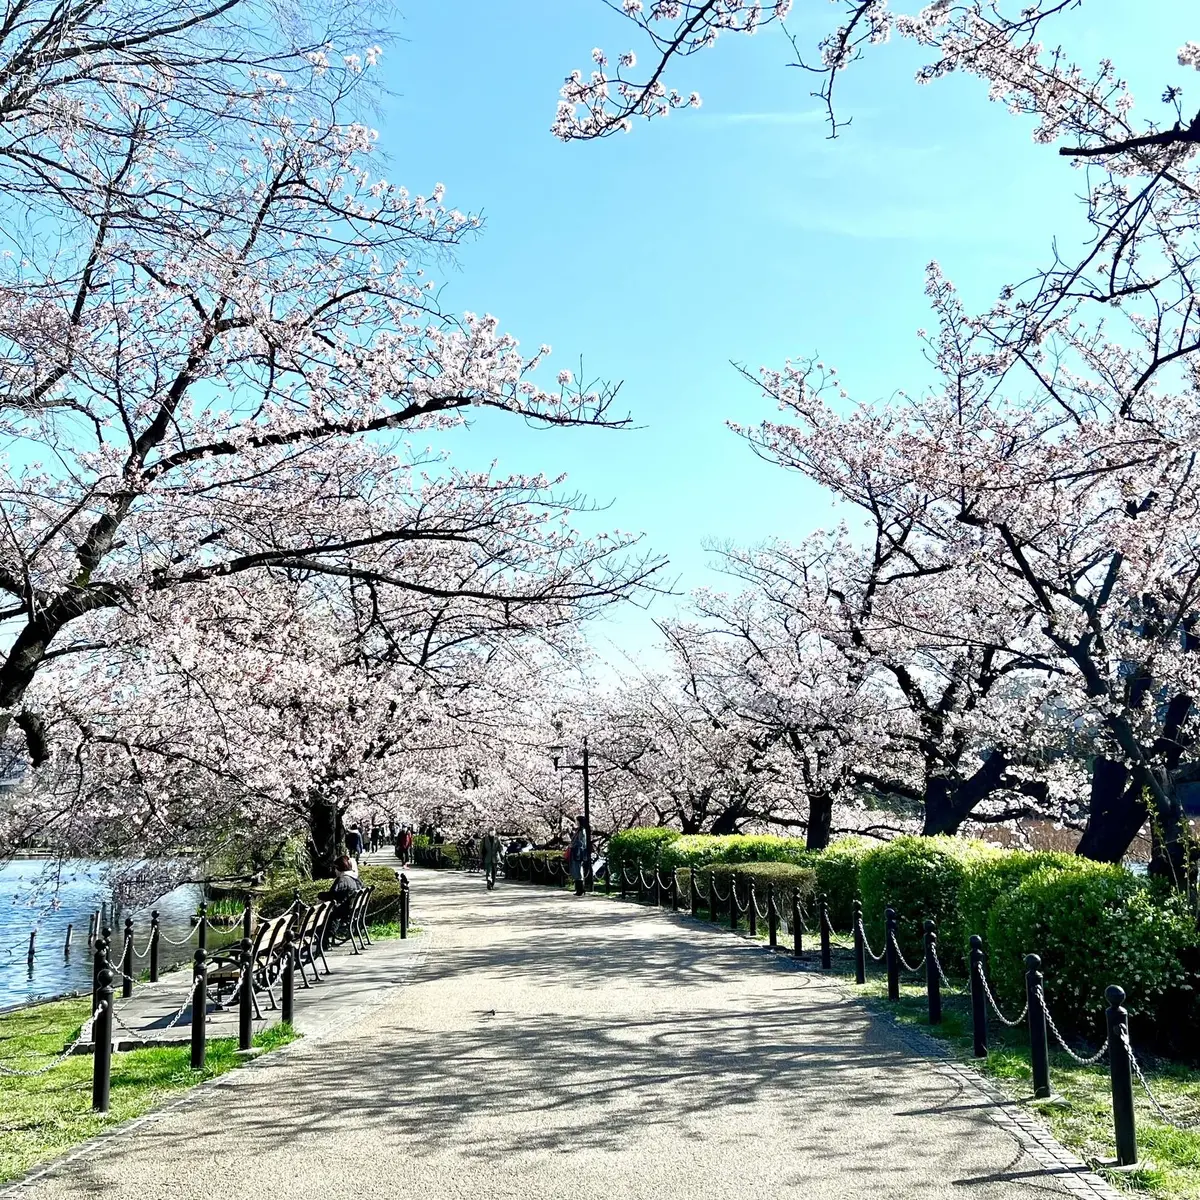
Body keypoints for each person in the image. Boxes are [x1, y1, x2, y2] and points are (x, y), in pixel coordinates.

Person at [568, 816, 589, 897]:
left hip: (578, 853)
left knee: (578, 869)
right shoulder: (579, 830)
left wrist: (573, 845)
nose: (576, 822)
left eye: (577, 821)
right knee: (576, 869)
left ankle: (580, 889)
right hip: (576, 852)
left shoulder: (582, 831)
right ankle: (579, 889)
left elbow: (581, 842)